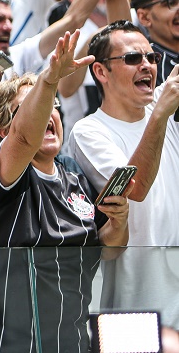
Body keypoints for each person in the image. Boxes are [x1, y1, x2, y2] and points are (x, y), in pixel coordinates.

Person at [0, 32, 132, 353]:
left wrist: (119, 221)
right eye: (32, 107)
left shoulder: (74, 178)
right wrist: (50, 79)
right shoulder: (0, 172)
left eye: (53, 105)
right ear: (4, 131)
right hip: (5, 344)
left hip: (71, 342)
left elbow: (108, 249)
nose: (49, 113)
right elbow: (24, 138)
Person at [65, 21, 179, 328]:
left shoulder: (164, 105)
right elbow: (136, 188)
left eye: (152, 57)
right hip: (137, 308)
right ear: (101, 72)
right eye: (132, 58)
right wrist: (160, 114)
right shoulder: (89, 132)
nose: (147, 65)